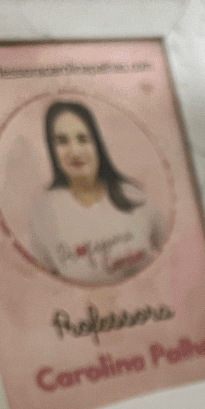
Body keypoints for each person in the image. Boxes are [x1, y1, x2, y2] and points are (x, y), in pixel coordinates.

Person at [27, 101, 168, 284]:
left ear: (97, 143)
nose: (74, 151)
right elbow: (46, 282)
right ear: (52, 149)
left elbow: (173, 254)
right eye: (62, 141)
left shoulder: (133, 196)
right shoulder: (42, 212)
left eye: (83, 139)